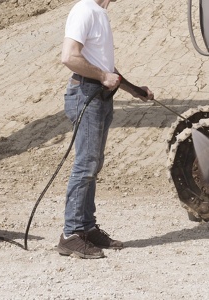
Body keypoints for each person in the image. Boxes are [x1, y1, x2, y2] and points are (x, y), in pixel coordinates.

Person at [57, 0, 154, 259]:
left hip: (99, 95)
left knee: (93, 163)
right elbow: (69, 56)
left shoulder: (100, 13)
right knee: (86, 163)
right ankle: (71, 234)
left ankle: (86, 228)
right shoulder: (85, 9)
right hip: (86, 93)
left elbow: (105, 67)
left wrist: (135, 91)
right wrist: (102, 77)